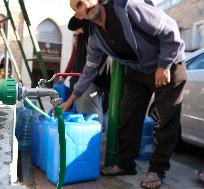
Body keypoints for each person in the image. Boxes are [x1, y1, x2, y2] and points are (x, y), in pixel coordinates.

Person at [65, 0, 187, 188]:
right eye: (78, 6)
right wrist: (71, 99)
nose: (85, 5)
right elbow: (89, 69)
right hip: (139, 71)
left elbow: (170, 29)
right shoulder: (96, 39)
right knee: (128, 116)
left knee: (166, 119)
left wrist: (164, 65)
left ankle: (156, 169)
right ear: (79, 15)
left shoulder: (126, 6)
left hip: (168, 62)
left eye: (85, 0)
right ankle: (125, 164)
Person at [62, 14, 108, 124]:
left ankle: (96, 138)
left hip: (95, 76)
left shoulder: (91, 25)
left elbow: (72, 23)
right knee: (92, 112)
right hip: (87, 76)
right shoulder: (89, 35)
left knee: (91, 114)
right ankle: (99, 138)